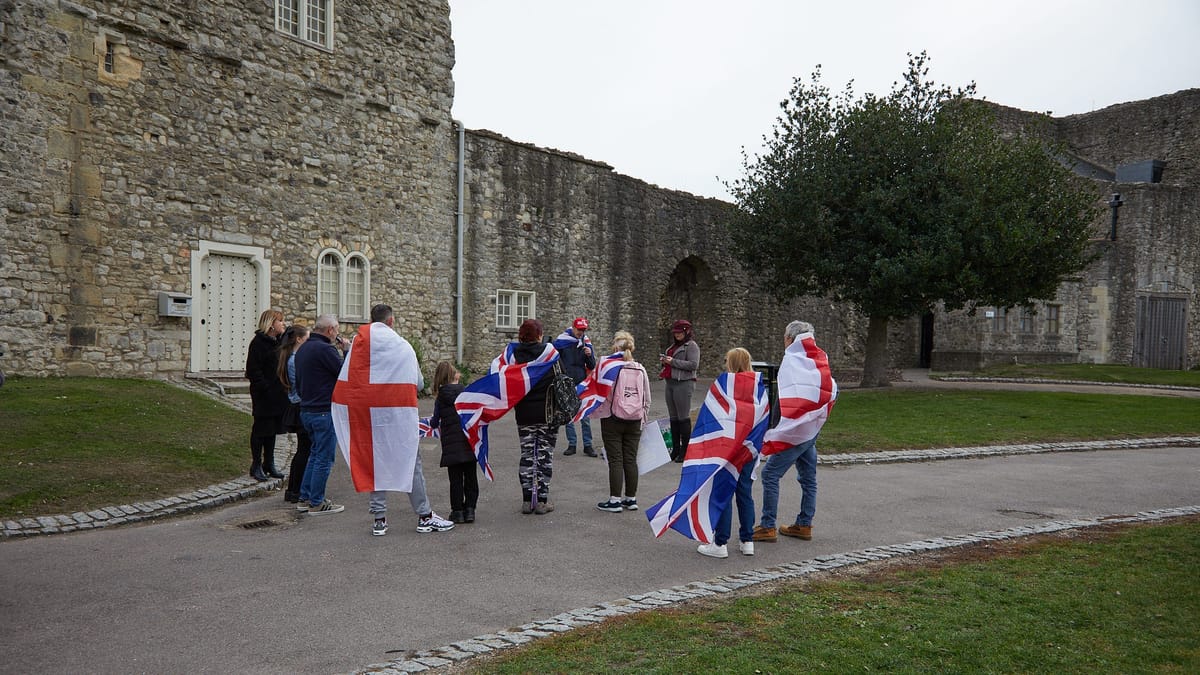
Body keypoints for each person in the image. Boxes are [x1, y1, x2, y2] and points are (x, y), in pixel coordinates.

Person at [341, 304, 454, 537]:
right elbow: (418, 384)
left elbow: (349, 381)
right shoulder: (403, 347)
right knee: (410, 463)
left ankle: (379, 520)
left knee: (376, 464)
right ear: (391, 321)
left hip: (370, 418)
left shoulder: (359, 348)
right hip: (398, 415)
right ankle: (424, 516)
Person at [754, 321, 835, 543]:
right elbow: (828, 389)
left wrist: (776, 428)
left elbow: (787, 396)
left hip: (795, 430)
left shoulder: (792, 360)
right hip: (810, 428)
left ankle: (768, 525)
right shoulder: (818, 359)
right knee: (808, 478)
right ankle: (804, 524)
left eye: (784, 336)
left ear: (790, 338)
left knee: (770, 474)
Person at [698, 347, 758, 558]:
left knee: (722, 493)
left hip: (727, 448)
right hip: (748, 448)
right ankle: (747, 540)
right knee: (744, 493)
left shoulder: (724, 385)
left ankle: (720, 542)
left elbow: (712, 414)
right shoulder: (758, 387)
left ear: (731, 363)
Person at [293, 313, 349, 515]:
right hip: (323, 410)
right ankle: (317, 502)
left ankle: (305, 497)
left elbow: (298, 381)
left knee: (315, 454)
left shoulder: (303, 348)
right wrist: (347, 352)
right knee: (324, 458)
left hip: (307, 409)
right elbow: (344, 375)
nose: (337, 334)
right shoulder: (326, 350)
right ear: (330, 330)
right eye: (337, 329)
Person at [593, 331, 650, 513]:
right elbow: (647, 398)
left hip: (613, 419)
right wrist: (642, 417)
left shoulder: (610, 368)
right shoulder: (640, 368)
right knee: (631, 460)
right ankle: (631, 498)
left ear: (615, 347)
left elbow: (603, 394)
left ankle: (615, 500)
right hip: (635, 420)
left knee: (616, 460)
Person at [512, 318, 558, 514]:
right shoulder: (551, 355)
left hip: (524, 414)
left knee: (527, 455)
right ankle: (541, 501)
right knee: (544, 457)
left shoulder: (513, 356)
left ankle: (526, 500)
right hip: (548, 414)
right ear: (539, 335)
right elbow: (562, 379)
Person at [430, 361, 478, 524]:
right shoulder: (466, 393)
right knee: (471, 477)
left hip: (451, 446)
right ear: (454, 375)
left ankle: (457, 511)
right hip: (468, 441)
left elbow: (434, 422)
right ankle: (470, 510)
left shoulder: (440, 398)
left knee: (456, 480)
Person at [244, 309, 288, 481]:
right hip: (264, 394)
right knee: (261, 429)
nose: (283, 324)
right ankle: (256, 464)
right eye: (280, 321)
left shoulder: (279, 342)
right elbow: (253, 370)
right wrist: (265, 388)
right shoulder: (258, 343)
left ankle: (269, 462)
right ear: (271, 324)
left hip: (278, 393)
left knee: (272, 430)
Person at [277, 325, 311, 504]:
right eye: (307, 339)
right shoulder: (295, 360)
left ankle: (294, 488)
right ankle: (296, 489)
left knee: (303, 450)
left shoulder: (291, 358)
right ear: (299, 339)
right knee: (304, 450)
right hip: (300, 405)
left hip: (296, 404)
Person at [659, 319, 700, 463]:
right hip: (670, 382)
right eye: (675, 333)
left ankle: (685, 450)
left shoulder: (692, 346)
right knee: (673, 417)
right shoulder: (673, 346)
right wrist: (665, 362)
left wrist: (672, 362)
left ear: (686, 332)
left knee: (683, 417)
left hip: (684, 383)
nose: (677, 335)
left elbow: (693, 365)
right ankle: (676, 449)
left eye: (679, 333)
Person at [559, 317, 598, 457]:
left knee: (585, 416)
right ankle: (572, 444)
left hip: (582, 382)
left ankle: (588, 445)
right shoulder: (563, 342)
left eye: (583, 330)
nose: (581, 332)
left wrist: (589, 355)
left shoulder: (586, 343)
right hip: (567, 382)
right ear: (573, 328)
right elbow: (556, 360)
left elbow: (592, 365)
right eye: (579, 329)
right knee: (569, 415)